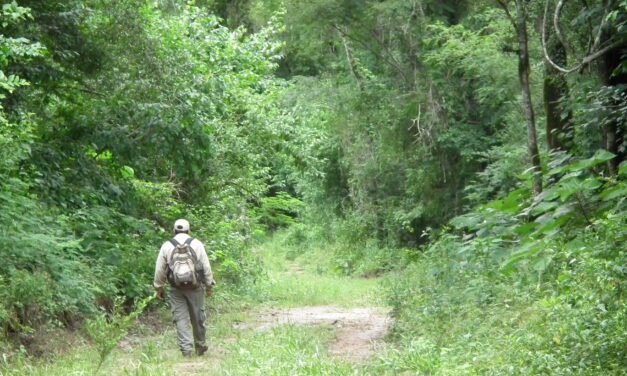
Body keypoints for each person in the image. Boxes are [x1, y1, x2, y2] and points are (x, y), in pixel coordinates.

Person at [153, 219, 216, 357]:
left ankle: (186, 350)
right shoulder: (197, 244)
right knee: (198, 316)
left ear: (174, 231)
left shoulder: (166, 246)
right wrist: (209, 285)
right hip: (195, 287)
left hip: (176, 288)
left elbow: (160, 270)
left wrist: (159, 287)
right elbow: (206, 267)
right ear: (189, 230)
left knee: (180, 318)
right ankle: (200, 345)